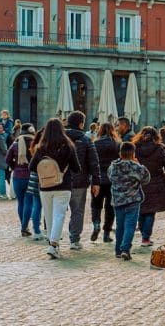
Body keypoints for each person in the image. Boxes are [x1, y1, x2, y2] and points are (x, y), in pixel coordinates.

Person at [29, 118, 82, 259]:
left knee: (49, 215)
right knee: (59, 215)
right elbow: (77, 168)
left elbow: (31, 167)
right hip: (63, 185)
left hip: (45, 186)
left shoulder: (41, 147)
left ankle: (52, 244)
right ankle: (53, 244)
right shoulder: (68, 146)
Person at [65, 111, 101, 251]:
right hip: (79, 181)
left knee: (57, 211)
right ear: (81, 123)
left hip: (59, 181)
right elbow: (94, 162)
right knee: (77, 211)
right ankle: (74, 240)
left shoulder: (59, 138)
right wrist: (96, 182)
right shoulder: (86, 140)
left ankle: (53, 239)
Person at [108, 142, 151, 261]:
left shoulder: (113, 166)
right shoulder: (136, 167)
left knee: (120, 226)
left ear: (120, 153)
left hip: (117, 200)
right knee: (130, 226)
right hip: (132, 200)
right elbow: (146, 179)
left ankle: (118, 250)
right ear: (133, 154)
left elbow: (109, 177)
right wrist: (139, 164)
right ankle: (125, 249)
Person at [132, 126, 165, 246]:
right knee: (151, 211)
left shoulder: (135, 148)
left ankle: (143, 233)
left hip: (139, 182)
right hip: (155, 182)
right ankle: (145, 238)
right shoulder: (159, 148)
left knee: (141, 209)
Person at [91, 123, 120, 243]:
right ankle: (106, 233)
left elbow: (91, 162)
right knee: (110, 207)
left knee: (96, 205)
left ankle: (96, 224)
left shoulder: (95, 144)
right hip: (113, 180)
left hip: (97, 179)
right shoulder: (117, 144)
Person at [6, 123, 37, 235]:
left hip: (17, 176)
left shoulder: (15, 144)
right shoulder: (35, 143)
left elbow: (7, 159)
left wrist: (15, 167)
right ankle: (24, 227)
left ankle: (24, 226)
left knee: (21, 202)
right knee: (29, 202)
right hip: (31, 176)